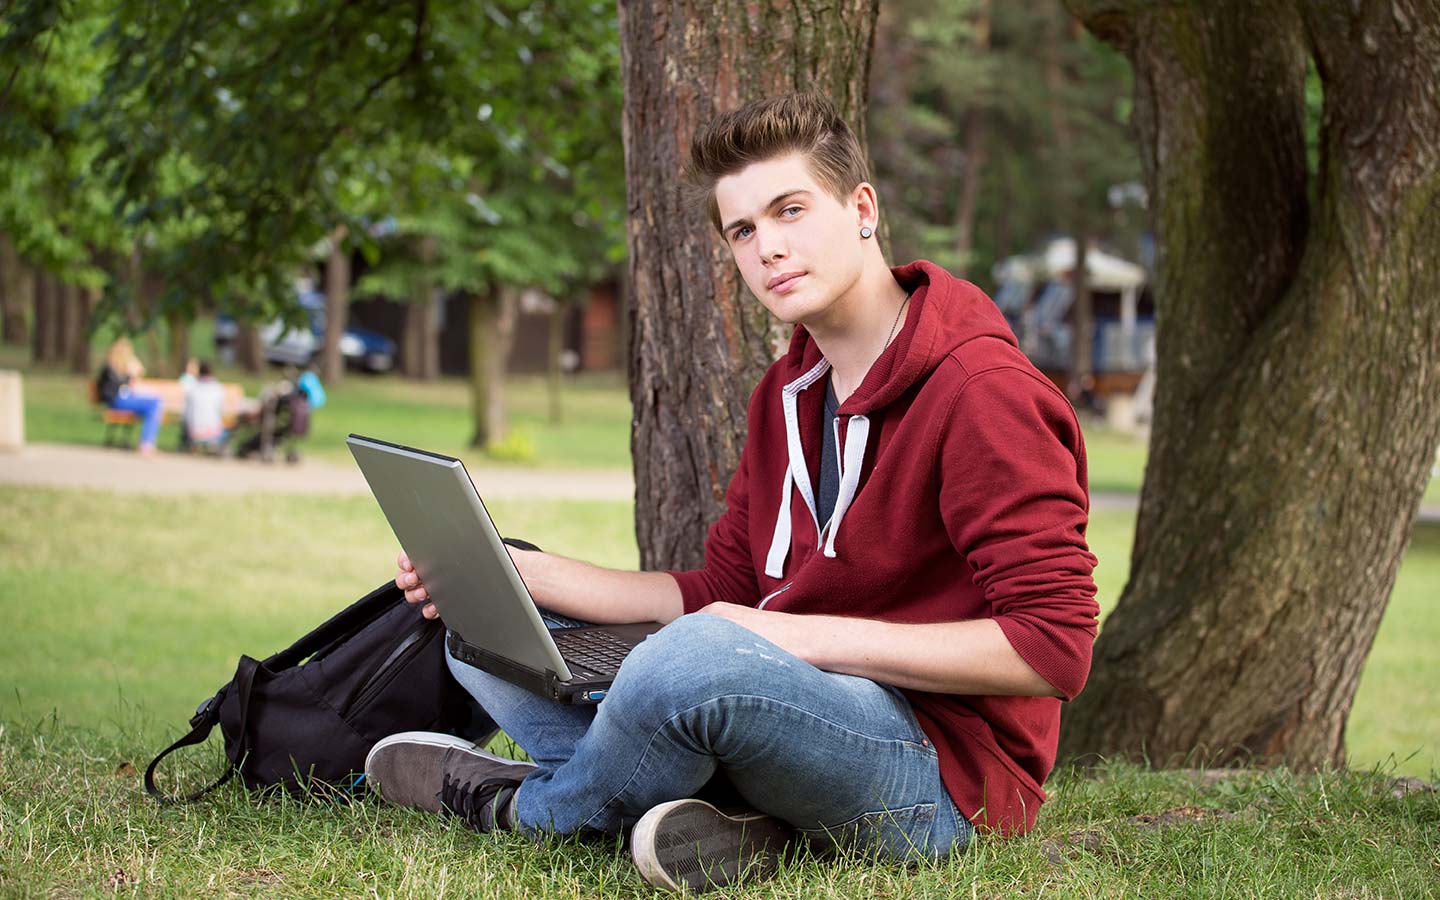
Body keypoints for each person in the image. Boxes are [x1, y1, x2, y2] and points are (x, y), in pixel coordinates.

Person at [365, 93, 1099, 892]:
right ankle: (737, 823)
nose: (768, 249)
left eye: (790, 211)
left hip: (944, 776)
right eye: (744, 231)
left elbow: (1052, 647)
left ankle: (525, 806)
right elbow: (721, 592)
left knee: (696, 662)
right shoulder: (787, 390)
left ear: (863, 208)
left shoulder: (980, 391)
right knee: (487, 630)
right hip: (783, 709)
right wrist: (523, 572)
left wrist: (790, 638)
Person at [96, 337, 164, 457]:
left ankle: (147, 442)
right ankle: (146, 443)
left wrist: (133, 373)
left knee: (154, 403)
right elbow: (117, 386)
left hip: (122, 399)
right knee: (153, 404)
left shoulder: (119, 368)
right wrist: (130, 375)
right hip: (116, 401)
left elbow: (129, 384)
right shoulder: (110, 369)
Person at [181, 360, 228, 452]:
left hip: (194, 432)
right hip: (213, 432)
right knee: (228, 429)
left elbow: (186, 412)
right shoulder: (218, 389)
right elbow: (221, 411)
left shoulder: (192, 388)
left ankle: (191, 445)